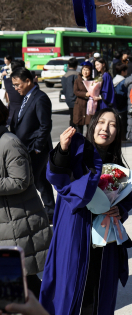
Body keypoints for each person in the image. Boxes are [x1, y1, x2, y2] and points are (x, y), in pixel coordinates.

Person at [40, 109, 132, 315]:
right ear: (93, 126)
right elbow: (56, 177)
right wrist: (63, 149)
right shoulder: (77, 155)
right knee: (70, 289)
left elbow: (127, 199)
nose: (106, 128)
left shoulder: (117, 165)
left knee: (98, 292)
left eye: (112, 125)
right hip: (75, 231)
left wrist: (121, 210)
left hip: (103, 241)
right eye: (101, 122)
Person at [0, 101, 52, 297]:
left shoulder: (9, 142)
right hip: (6, 222)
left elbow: (20, 180)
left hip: (19, 222)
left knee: (25, 279)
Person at [10, 67, 55, 222]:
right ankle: (51, 212)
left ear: (28, 81)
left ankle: (35, 213)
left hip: (36, 150)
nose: (15, 88)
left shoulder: (40, 98)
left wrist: (37, 147)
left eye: (17, 84)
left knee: (31, 181)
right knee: (41, 181)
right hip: (26, 148)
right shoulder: (27, 97)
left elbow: (45, 125)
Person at [73, 62, 94, 135]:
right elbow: (76, 91)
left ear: (90, 71)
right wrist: (85, 94)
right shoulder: (77, 80)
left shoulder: (92, 80)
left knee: (89, 124)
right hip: (79, 105)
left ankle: (88, 142)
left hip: (89, 104)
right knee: (79, 124)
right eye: (84, 69)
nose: (85, 72)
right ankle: (79, 143)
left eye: (87, 70)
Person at [4, 59, 25, 125]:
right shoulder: (26, 82)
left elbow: (7, 97)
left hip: (12, 112)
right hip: (24, 112)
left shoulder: (6, 81)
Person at [61, 57, 79, 129]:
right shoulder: (77, 75)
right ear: (76, 66)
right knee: (76, 119)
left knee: (72, 117)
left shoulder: (64, 76)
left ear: (68, 65)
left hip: (68, 99)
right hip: (76, 100)